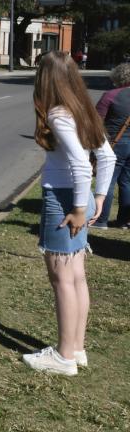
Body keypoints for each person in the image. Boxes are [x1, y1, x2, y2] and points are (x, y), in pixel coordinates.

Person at [22, 51, 115, 376]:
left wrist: (79, 207)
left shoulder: (59, 114)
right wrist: (98, 198)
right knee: (76, 277)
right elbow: (107, 157)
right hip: (80, 198)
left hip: (64, 200)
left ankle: (63, 357)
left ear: (45, 79)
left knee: (62, 278)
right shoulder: (83, 109)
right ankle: (76, 348)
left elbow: (79, 163)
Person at [94, 63, 130, 229]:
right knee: (127, 182)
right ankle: (124, 220)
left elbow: (95, 121)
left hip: (115, 142)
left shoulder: (111, 95)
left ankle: (101, 219)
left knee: (107, 180)